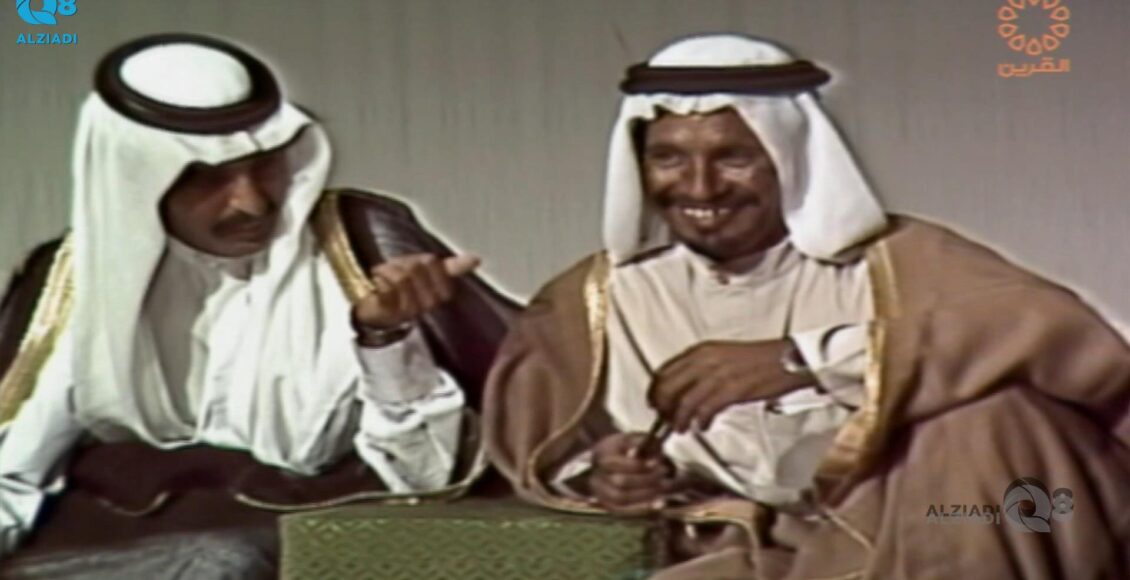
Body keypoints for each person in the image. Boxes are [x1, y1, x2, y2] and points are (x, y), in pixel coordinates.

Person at [483, 34, 1130, 579]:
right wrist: (604, 476)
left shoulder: (900, 262)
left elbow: (1066, 342)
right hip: (728, 552)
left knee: (990, 423)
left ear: (789, 159)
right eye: (669, 158)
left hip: (925, 534)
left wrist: (802, 361)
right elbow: (542, 443)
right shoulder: (593, 299)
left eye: (734, 157)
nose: (700, 187)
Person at [0, 33, 516, 573]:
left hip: (303, 552)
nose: (253, 202)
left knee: (223, 561)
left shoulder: (360, 248)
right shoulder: (74, 280)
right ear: (134, 180)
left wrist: (384, 339)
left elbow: (425, 481)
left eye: (265, 164)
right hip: (122, 553)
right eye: (206, 177)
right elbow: (13, 477)